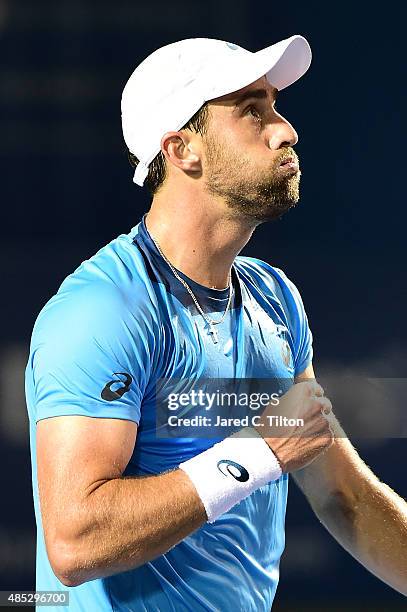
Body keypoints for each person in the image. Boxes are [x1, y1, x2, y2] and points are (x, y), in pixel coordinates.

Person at [25, 35, 407, 611]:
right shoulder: (104, 310)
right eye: (253, 113)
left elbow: (343, 495)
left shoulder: (275, 299)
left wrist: (273, 448)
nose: (286, 131)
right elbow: (74, 543)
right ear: (183, 151)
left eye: (276, 108)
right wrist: (257, 454)